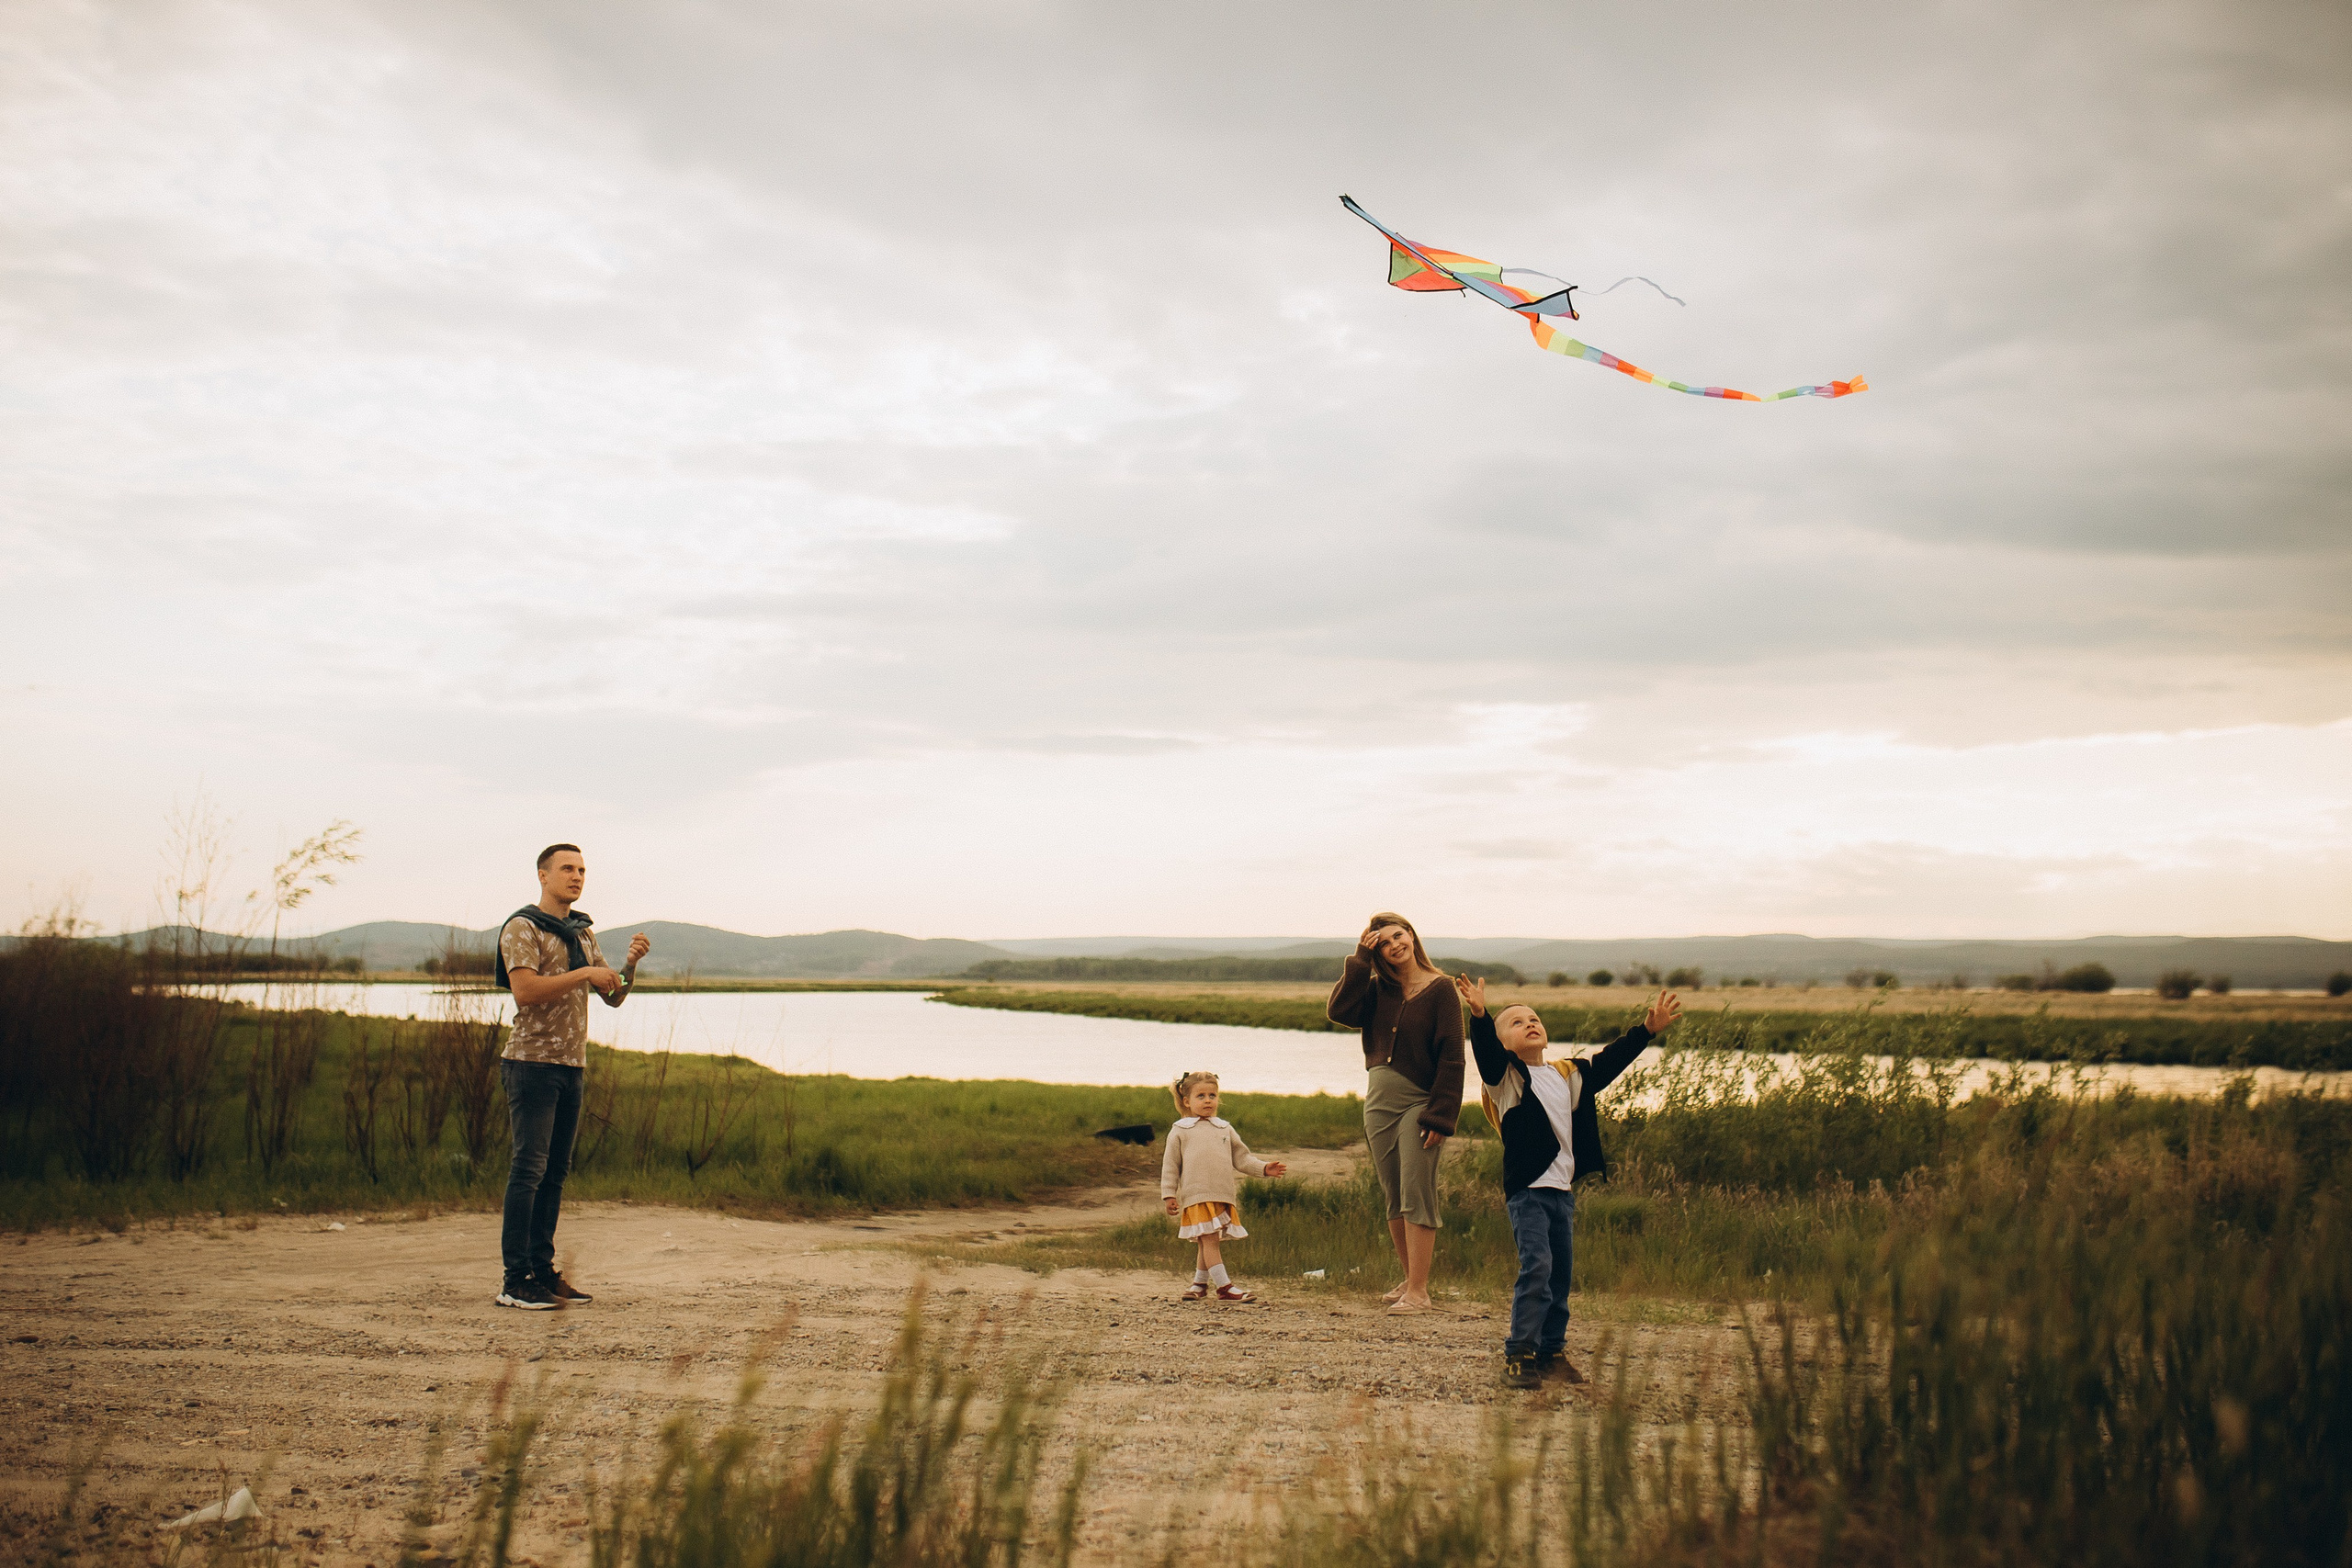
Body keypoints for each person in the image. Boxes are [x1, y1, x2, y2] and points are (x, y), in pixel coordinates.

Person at [1456, 973, 1681, 1388]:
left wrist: (1646, 1031)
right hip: (1528, 1192)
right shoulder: (1505, 1081)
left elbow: (1609, 1061)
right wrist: (1481, 1015)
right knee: (1537, 1267)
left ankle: (1552, 1352)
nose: (1530, 1024)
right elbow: (1486, 1053)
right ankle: (1519, 1354)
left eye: (1534, 1018)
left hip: (1562, 1192)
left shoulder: (1567, 1075)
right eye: (1517, 1022)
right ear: (1504, 1042)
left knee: (1559, 1275)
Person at [489, 843, 650, 1311]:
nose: (576, 876)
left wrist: (629, 967)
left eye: (581, 870)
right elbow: (525, 990)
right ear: (543, 876)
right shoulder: (523, 927)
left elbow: (613, 995)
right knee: (529, 1170)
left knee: (555, 1174)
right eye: (567, 869)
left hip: (571, 1067)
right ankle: (514, 1281)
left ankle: (542, 1272)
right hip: (531, 1064)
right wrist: (584, 974)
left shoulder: (582, 932)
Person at [1327, 913, 1464, 1314]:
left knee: (1416, 1189)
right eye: (1383, 943)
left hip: (1421, 1100)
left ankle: (1419, 1292)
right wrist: (1359, 960)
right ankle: (1409, 1279)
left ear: (1412, 936)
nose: (1394, 945)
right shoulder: (1376, 990)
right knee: (1394, 1193)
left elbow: (1453, 1055)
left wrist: (1441, 1115)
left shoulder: (1441, 989)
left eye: (1398, 936)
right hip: (1379, 1102)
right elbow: (1340, 1010)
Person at [1161, 1071, 1286, 1302]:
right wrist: (1169, 1194)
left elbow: (1241, 1158)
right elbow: (1170, 1165)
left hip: (1222, 1194)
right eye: (1200, 1096)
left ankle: (1199, 1285)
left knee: (1207, 1240)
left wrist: (1263, 1168)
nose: (1208, 1100)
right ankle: (1225, 1287)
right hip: (1197, 1195)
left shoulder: (1224, 1128)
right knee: (1209, 1239)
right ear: (1187, 1101)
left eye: (1212, 1095)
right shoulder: (1180, 1130)